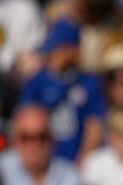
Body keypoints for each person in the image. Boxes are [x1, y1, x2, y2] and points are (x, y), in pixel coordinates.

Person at [18, 19, 105, 162]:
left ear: (72, 50)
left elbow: (94, 126)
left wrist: (81, 164)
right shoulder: (36, 81)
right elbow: (23, 122)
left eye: (56, 49)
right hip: (43, 163)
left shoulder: (89, 82)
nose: (50, 54)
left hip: (77, 162)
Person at [0, 105, 81, 185]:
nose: (34, 145)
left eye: (41, 137)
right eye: (26, 137)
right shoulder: (2, 170)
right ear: (14, 139)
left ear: (52, 139)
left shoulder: (70, 177)